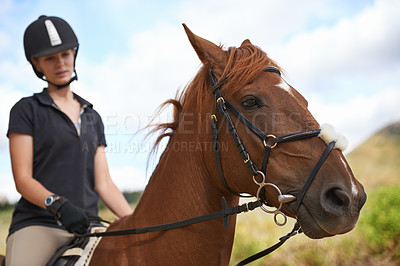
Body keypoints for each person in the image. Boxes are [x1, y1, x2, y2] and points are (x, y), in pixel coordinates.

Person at [5, 15, 133, 266]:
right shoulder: (25, 110)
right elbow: (22, 179)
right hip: (40, 225)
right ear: (36, 64)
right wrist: (59, 205)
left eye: (65, 54)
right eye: (50, 58)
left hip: (89, 225)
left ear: (74, 53)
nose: (60, 63)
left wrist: (138, 220)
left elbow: (104, 183)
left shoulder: (92, 117)